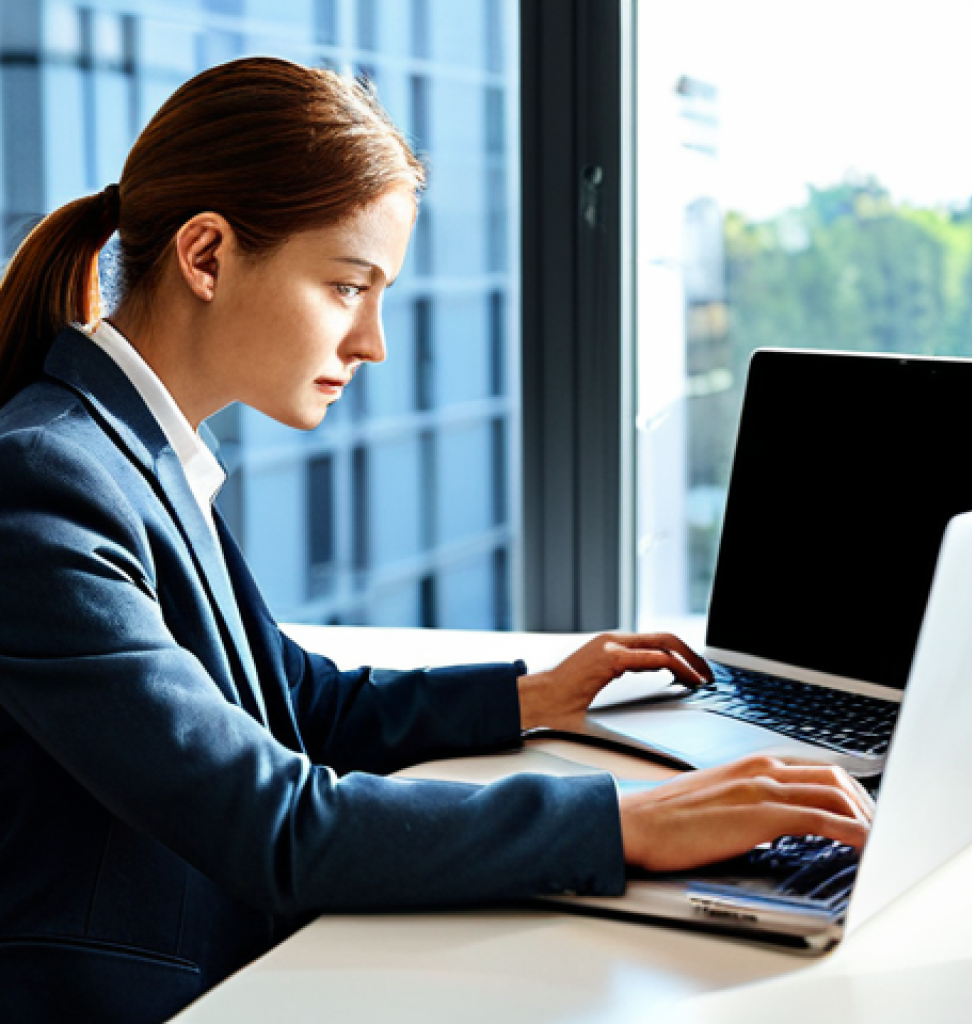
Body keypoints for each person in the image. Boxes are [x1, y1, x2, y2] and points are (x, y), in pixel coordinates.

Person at [0, 57, 871, 1024]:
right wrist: (625, 821)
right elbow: (273, 823)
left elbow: (292, 700)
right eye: (346, 287)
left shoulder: (141, 452)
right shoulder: (46, 478)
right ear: (206, 257)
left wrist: (530, 695)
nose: (372, 342)